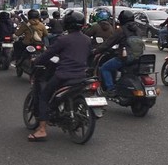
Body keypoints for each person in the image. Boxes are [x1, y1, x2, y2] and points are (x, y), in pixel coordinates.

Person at [28, 11, 90, 142]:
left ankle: (42, 130)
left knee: (44, 96)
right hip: (82, 75)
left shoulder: (63, 39)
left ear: (67, 24)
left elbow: (48, 54)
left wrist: (36, 61)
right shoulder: (87, 39)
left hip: (64, 75)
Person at [94, 10, 140, 94]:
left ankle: (111, 89)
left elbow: (108, 43)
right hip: (138, 58)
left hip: (124, 58)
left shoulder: (121, 30)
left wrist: (96, 51)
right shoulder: (137, 30)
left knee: (105, 68)